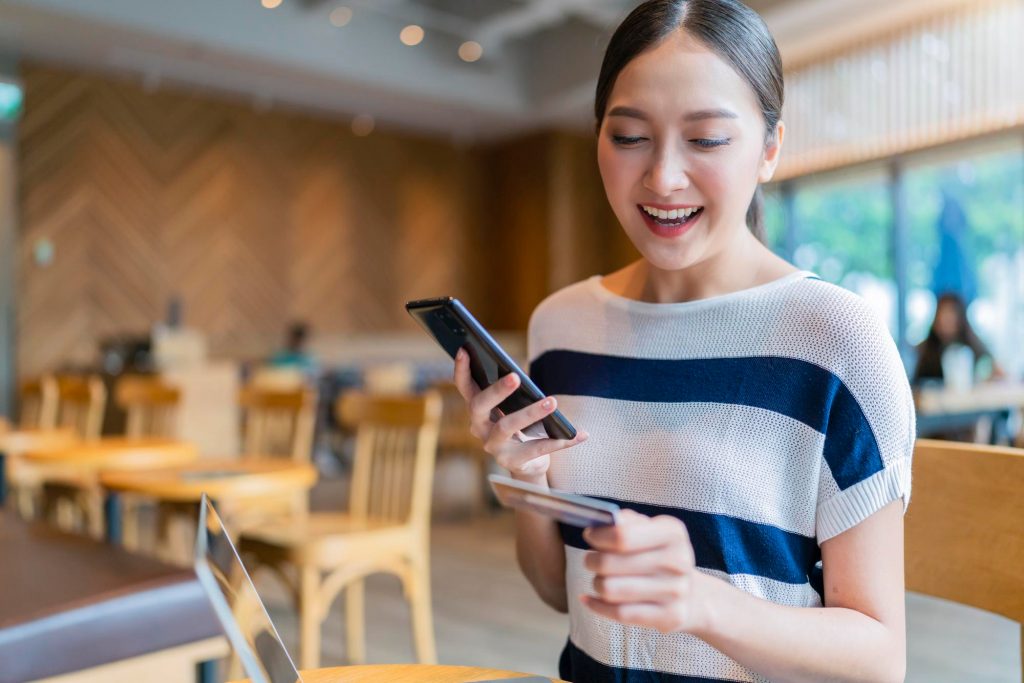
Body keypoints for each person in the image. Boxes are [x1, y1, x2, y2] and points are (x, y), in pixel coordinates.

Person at [452, 1, 914, 681]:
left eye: (705, 139)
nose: (663, 177)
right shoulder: (560, 326)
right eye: (630, 136)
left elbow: (879, 659)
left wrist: (702, 603)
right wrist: (527, 476)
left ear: (770, 148)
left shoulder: (836, 338)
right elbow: (559, 591)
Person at [912, 291, 1003, 385]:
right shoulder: (925, 350)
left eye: (950, 315)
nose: (946, 321)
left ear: (960, 319)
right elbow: (916, 383)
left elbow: (996, 370)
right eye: (942, 315)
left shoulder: (973, 346)